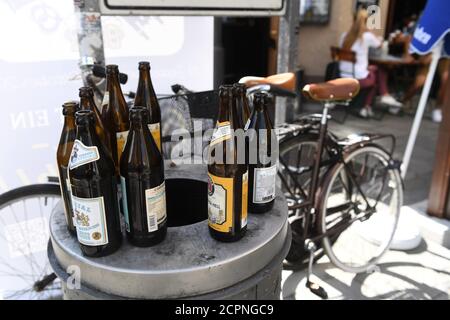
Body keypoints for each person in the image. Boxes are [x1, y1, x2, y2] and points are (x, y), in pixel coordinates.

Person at [340, 9, 403, 118]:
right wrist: (370, 31)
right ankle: (376, 100)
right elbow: (380, 45)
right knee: (379, 72)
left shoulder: (344, 36)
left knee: (374, 70)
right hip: (357, 79)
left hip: (343, 75)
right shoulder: (367, 37)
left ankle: (372, 104)